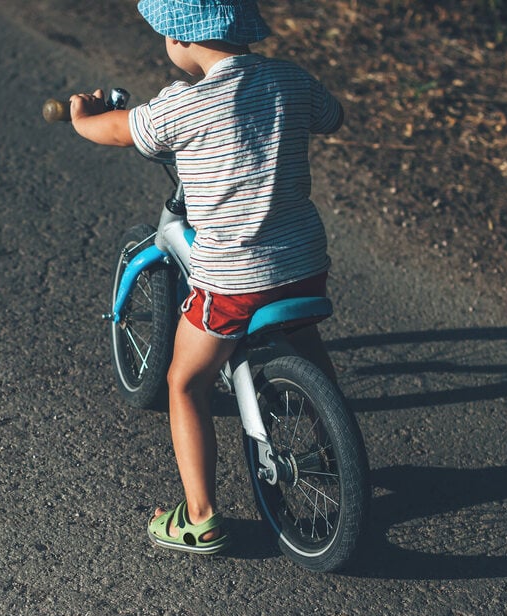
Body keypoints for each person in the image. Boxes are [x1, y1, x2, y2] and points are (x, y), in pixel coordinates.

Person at [69, 0, 344, 554]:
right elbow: (332, 116)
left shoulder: (180, 106)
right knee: (306, 342)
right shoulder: (290, 79)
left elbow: (123, 131)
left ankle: (199, 515)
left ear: (180, 40)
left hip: (234, 280)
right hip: (303, 265)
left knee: (184, 382)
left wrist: (83, 117)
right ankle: (332, 444)